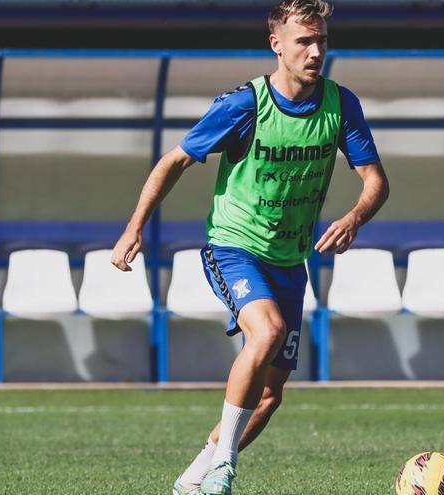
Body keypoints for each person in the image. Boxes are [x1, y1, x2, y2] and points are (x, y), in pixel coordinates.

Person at [111, 1, 388, 493]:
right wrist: (134, 227)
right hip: (234, 246)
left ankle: (194, 477)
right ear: (276, 44)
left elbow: (375, 181)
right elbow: (173, 161)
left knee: (269, 398)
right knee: (267, 331)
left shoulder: (341, 104)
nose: (316, 50)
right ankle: (224, 470)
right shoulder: (246, 104)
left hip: (290, 261)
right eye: (304, 41)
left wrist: (353, 218)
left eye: (322, 39)